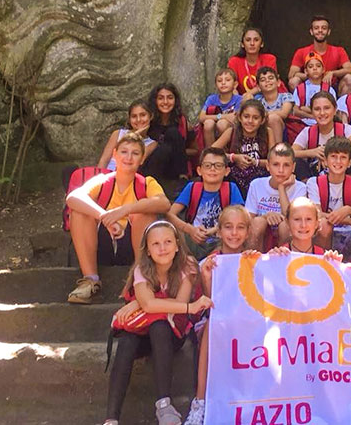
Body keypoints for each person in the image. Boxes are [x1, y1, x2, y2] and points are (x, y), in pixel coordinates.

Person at [104, 220, 212, 425]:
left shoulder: (187, 265)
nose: (162, 248)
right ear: (147, 250)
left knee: (159, 325)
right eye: (155, 244)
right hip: (143, 334)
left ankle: (164, 405)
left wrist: (144, 302)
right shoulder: (142, 269)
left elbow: (179, 305)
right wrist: (143, 302)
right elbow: (150, 305)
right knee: (126, 342)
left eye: (168, 242)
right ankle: (111, 419)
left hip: (172, 333)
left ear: (177, 244)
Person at [66, 135, 170, 304]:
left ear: (142, 159)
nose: (128, 157)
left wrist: (126, 209)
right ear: (114, 155)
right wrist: (105, 217)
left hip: (132, 245)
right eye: (124, 152)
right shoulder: (102, 180)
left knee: (145, 212)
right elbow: (73, 197)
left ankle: (141, 278)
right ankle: (90, 280)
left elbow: (164, 203)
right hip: (102, 243)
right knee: (79, 213)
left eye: (135, 153)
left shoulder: (147, 183)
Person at [186, 206, 251, 425]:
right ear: (220, 231)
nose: (234, 233)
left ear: (248, 232)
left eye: (240, 227)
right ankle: (200, 402)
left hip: (247, 323)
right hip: (217, 321)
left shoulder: (254, 260)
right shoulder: (209, 262)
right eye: (228, 227)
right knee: (212, 326)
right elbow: (210, 306)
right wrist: (206, 278)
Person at [166, 147, 244, 259]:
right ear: (199, 171)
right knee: (176, 233)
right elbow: (170, 214)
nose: (212, 169)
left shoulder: (231, 188)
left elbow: (241, 216)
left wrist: (216, 229)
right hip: (193, 238)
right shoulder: (192, 187)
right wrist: (190, 229)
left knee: (229, 241)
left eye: (218, 166)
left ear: (226, 171)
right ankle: (187, 261)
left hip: (220, 240)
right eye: (207, 166)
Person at [302, 137, 351, 255]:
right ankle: (322, 261)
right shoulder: (314, 183)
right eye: (333, 156)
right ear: (325, 161)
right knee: (324, 224)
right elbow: (317, 214)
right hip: (324, 232)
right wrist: (350, 221)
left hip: (350, 233)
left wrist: (349, 210)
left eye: (343, 157)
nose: (338, 161)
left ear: (349, 163)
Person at [244, 143, 308, 250]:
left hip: (285, 236)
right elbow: (248, 220)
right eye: (276, 164)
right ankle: (252, 259)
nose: (281, 170)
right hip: (262, 234)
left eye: (286, 165)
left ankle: (284, 258)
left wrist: (281, 188)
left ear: (293, 167)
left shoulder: (300, 188)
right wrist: (266, 216)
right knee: (258, 222)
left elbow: (293, 220)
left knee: (285, 226)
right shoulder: (256, 184)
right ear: (268, 166)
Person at [213, 99, 275, 197]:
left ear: (262, 120)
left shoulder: (268, 132)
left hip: (260, 179)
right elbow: (211, 152)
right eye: (246, 117)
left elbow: (274, 160)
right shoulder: (231, 132)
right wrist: (233, 157)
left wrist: (256, 162)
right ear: (240, 117)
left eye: (255, 118)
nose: (250, 121)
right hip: (235, 179)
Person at [287, 15, 351, 95]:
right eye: (316, 28)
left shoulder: (338, 51)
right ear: (311, 31)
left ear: (328, 32)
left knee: (349, 78)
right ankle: (301, 102)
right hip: (308, 88)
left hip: (332, 86)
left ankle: (341, 103)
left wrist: (332, 73)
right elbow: (291, 75)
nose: (320, 30)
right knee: (293, 81)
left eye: (324, 28)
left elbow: (350, 69)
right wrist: (311, 75)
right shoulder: (301, 52)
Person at [142, 83, 194, 183]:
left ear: (175, 100)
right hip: (152, 167)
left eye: (170, 98)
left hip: (174, 168)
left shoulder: (182, 122)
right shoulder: (149, 121)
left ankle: (182, 179)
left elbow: (195, 150)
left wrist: (177, 149)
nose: (165, 102)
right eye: (161, 98)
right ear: (155, 101)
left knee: (172, 133)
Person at [97, 99, 158, 170]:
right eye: (134, 116)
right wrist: (98, 176)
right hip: (106, 174)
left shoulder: (152, 143)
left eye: (143, 115)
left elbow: (137, 162)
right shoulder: (117, 134)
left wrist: (136, 134)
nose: (138, 119)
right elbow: (104, 160)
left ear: (151, 116)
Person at [273, 197, 342, 259]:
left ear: (316, 223)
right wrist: (272, 259)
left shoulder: (323, 257)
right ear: (288, 223)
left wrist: (335, 264)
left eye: (308, 219)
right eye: (297, 219)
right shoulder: (280, 255)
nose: (303, 225)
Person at [245, 66, 294, 142]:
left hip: (284, 132)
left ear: (278, 82)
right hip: (262, 132)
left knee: (273, 118)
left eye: (270, 78)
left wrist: (263, 114)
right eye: (263, 80)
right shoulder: (258, 102)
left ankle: (277, 148)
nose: (267, 81)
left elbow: (284, 113)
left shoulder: (286, 96)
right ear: (258, 87)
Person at [227, 26, 280, 96]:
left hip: (268, 97)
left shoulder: (269, 59)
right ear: (242, 44)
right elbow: (231, 86)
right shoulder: (234, 61)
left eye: (256, 40)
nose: (252, 43)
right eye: (248, 40)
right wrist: (238, 98)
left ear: (262, 44)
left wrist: (248, 94)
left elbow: (269, 83)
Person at [199, 69, 242, 148]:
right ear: (216, 85)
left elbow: (235, 118)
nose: (223, 83)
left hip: (232, 131)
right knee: (208, 123)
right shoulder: (212, 99)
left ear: (235, 84)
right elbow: (201, 117)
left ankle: (225, 152)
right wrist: (223, 116)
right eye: (219, 81)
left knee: (222, 124)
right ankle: (209, 151)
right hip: (214, 129)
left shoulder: (239, 99)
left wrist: (223, 119)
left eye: (227, 80)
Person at [292, 52, 336, 127]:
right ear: (306, 71)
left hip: (324, 124)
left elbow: (332, 111)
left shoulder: (329, 90)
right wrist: (313, 116)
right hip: (303, 125)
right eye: (310, 66)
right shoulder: (300, 89)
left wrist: (305, 109)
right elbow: (295, 111)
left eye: (318, 66)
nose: (315, 68)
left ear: (323, 70)